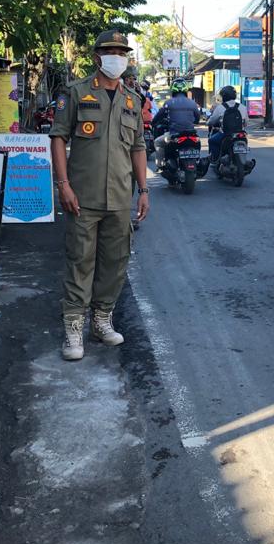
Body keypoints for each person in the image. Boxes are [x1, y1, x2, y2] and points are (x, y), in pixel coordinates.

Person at [50, 29, 150, 361]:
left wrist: (144, 189)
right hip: (83, 196)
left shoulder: (133, 100)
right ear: (97, 57)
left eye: (121, 53)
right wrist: (63, 184)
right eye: (109, 51)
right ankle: (73, 328)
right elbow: (58, 138)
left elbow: (138, 147)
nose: (116, 57)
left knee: (116, 262)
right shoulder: (76, 93)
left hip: (120, 197)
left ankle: (102, 320)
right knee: (80, 260)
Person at [152, 77, 200, 162]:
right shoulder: (193, 103)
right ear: (186, 89)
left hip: (174, 134)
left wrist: (153, 122)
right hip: (191, 134)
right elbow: (197, 118)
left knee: (157, 142)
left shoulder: (168, 102)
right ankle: (197, 160)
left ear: (172, 89)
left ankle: (160, 165)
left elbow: (159, 116)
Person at [207, 84, 247, 160]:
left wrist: (208, 123)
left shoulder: (220, 107)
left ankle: (215, 159)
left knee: (212, 140)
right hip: (240, 134)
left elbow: (212, 121)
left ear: (224, 96)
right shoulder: (243, 107)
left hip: (225, 134)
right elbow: (246, 123)